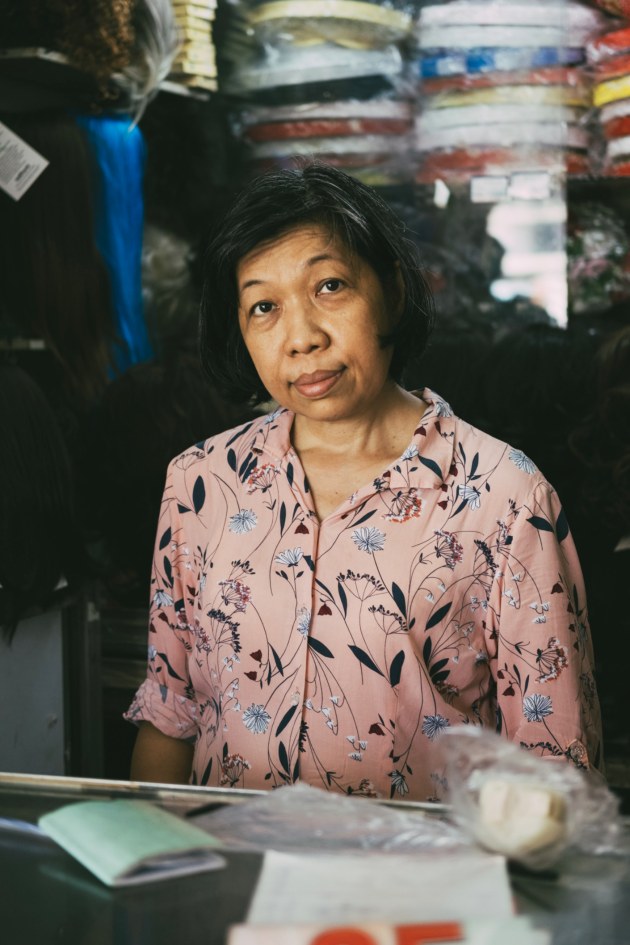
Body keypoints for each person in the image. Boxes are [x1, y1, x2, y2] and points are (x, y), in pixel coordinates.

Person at [126, 163, 602, 800]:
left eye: (329, 286)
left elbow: (555, 770)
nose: (302, 338)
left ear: (392, 292)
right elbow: (171, 712)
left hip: (424, 891)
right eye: (263, 306)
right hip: (232, 884)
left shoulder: (506, 499)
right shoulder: (201, 484)